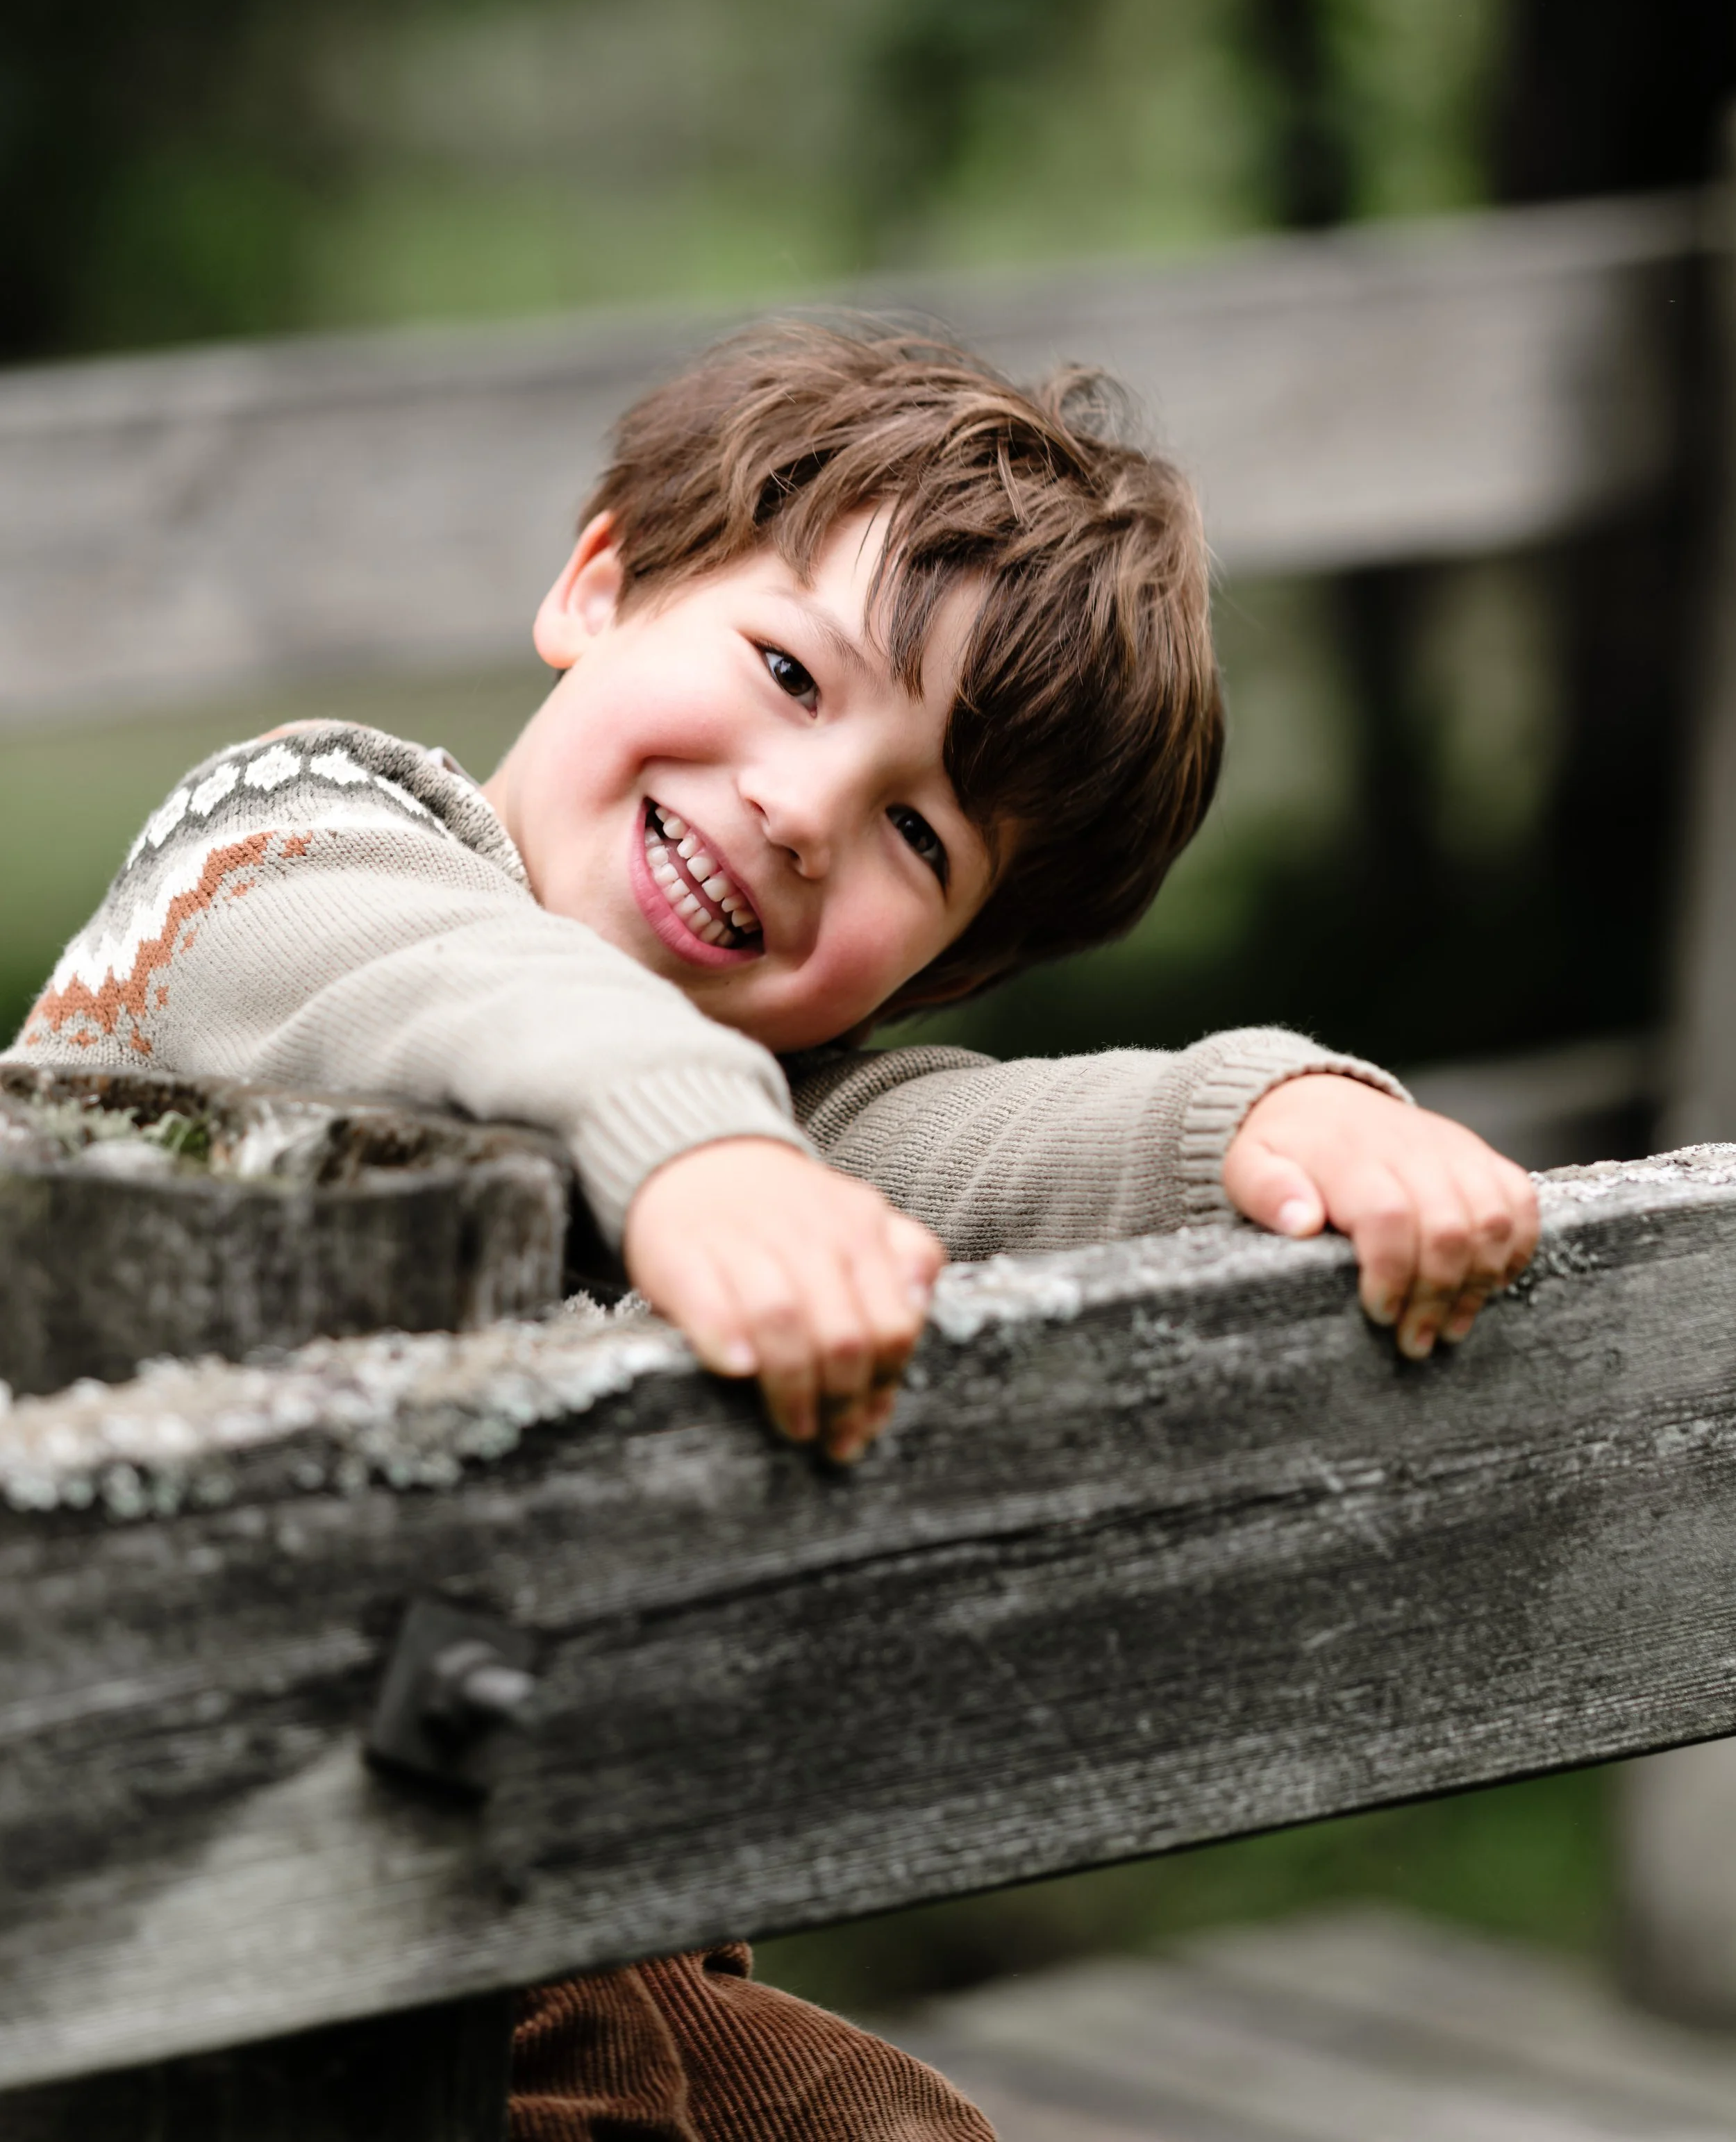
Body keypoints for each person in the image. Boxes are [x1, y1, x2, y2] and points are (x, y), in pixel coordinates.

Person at [10, 318, 1538, 2140]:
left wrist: (1267, 1117)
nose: (802, 809)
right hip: (92, 1858)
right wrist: (691, 1156)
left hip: (512, 1902)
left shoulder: (772, 1106)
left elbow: (981, 1154)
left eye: (918, 832)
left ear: (945, 960)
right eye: (789, 673)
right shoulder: (291, 842)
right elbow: (450, 978)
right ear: (601, 581)